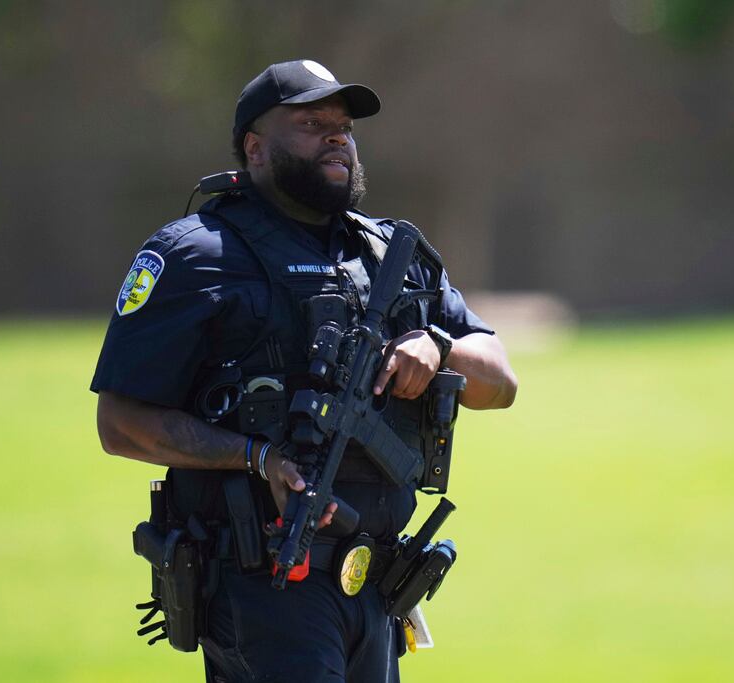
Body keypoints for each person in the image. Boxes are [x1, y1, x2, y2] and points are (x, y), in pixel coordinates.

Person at [91, 59, 517, 683]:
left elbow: (500, 384)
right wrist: (255, 458)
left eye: (343, 125)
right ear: (256, 149)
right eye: (313, 123)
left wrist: (437, 345)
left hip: (377, 586)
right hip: (265, 586)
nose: (337, 136)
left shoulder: (390, 254)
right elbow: (120, 424)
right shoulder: (195, 253)